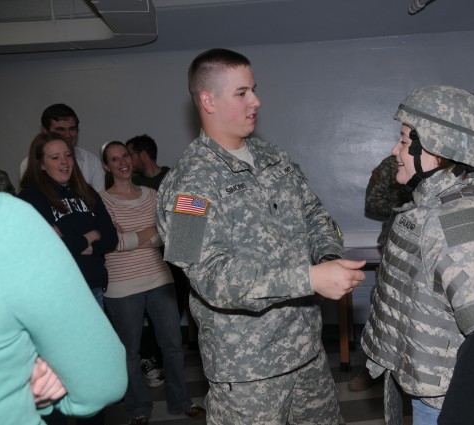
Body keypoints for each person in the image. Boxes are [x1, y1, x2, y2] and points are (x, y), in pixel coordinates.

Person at [156, 48, 366, 424]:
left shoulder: (273, 157)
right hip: (248, 373)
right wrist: (307, 278)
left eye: (254, 89)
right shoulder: (188, 185)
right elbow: (208, 276)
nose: (256, 101)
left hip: (307, 353)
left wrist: (327, 256)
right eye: (241, 93)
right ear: (208, 100)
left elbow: (315, 214)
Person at [361, 85, 474, 425]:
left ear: (437, 149)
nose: (394, 150)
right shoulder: (431, 208)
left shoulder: (460, 221)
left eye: (402, 140)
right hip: (439, 393)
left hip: (455, 404)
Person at [0, 191, 127, 424]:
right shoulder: (1, 216)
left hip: (132, 280)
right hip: (119, 284)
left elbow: (111, 238)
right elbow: (185, 248)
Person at [99, 141, 205, 425]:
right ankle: (139, 408)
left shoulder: (152, 194)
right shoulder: (101, 201)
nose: (122, 162)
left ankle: (181, 401)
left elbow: (166, 236)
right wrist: (147, 232)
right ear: (106, 166)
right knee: (130, 351)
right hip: (121, 286)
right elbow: (113, 243)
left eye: (125, 156)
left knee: (172, 345)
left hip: (159, 278)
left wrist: (137, 235)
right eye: (114, 159)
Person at [18, 132, 117, 308]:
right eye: (55, 157)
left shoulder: (87, 191)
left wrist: (85, 244)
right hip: (58, 291)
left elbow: (111, 237)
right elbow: (52, 247)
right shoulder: (31, 197)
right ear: (41, 164)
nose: (64, 162)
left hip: (93, 285)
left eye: (68, 155)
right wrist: (91, 235)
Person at [348, 155, 413, 392]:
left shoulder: (446, 163)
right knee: (383, 307)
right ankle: (370, 369)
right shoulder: (392, 164)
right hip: (397, 242)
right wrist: (405, 205)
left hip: (432, 244)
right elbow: (372, 204)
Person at [125, 134, 176, 388]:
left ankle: (171, 366)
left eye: (129, 154)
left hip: (172, 257)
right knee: (141, 316)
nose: (126, 160)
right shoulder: (131, 183)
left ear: (143, 154)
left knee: (170, 316)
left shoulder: (172, 176)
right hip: (142, 257)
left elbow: (186, 212)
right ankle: (149, 360)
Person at [20, 104, 105, 192]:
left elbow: (98, 201)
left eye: (72, 129)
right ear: (45, 131)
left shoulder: (91, 161)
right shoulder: (29, 163)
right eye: (60, 129)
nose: (67, 135)